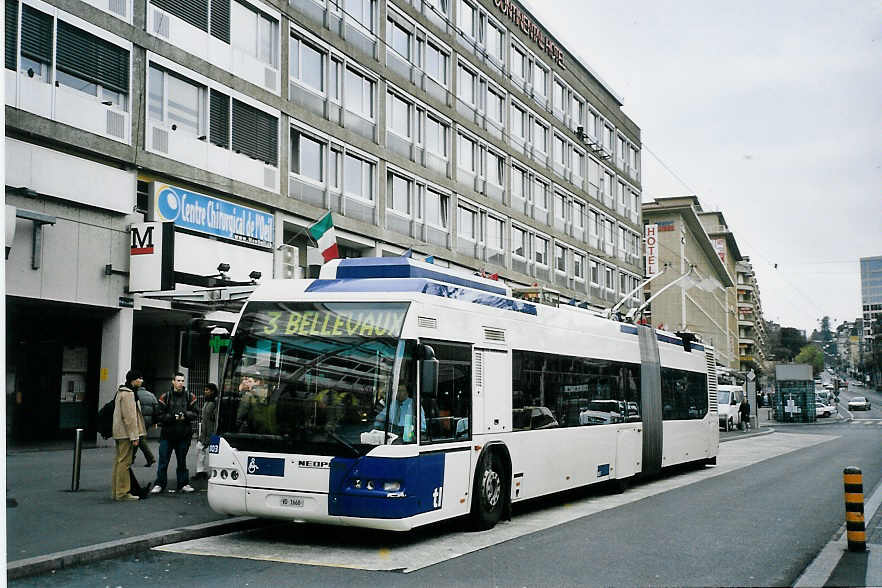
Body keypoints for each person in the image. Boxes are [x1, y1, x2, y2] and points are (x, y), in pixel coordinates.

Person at [150, 372, 198, 494]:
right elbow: (158, 415)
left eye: (182, 381)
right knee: (163, 461)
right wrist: (172, 417)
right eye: (178, 380)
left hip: (184, 435)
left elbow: (196, 413)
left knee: (182, 461)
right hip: (167, 435)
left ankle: (183, 483)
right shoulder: (165, 397)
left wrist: (186, 415)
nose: (180, 383)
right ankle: (160, 484)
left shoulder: (190, 396)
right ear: (173, 381)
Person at [111, 370, 147, 501]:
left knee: (119, 461)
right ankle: (123, 493)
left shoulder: (121, 392)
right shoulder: (129, 394)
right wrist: (134, 436)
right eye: (140, 378)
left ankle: (116, 491)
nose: (141, 380)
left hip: (119, 432)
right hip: (126, 433)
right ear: (133, 380)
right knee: (125, 463)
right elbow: (130, 418)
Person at [194, 383, 218, 481]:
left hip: (212, 432)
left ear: (212, 391)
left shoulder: (215, 403)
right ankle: (200, 471)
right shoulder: (207, 402)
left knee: (213, 453)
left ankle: (214, 472)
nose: (205, 392)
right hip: (205, 432)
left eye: (207, 390)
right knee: (199, 449)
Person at [135, 385, 158, 467]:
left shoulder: (135, 394)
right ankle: (131, 458)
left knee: (140, 439)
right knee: (139, 438)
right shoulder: (151, 395)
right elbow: (156, 408)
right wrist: (155, 421)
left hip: (138, 420)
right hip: (148, 420)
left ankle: (150, 458)